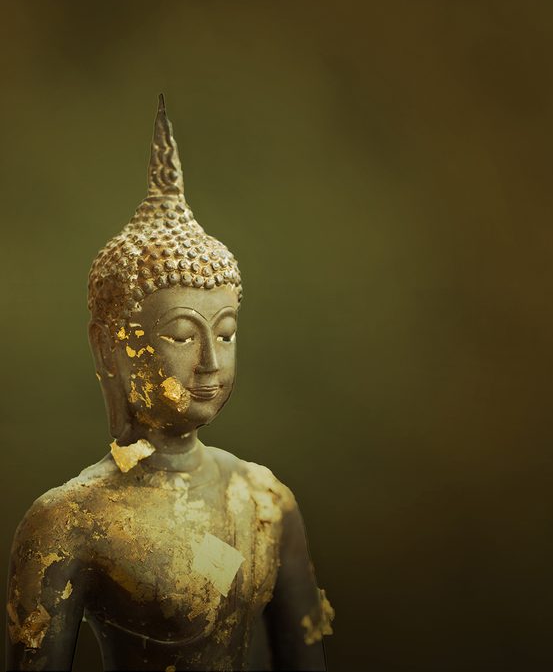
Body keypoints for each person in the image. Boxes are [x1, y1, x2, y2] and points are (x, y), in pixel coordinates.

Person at [5, 96, 333, 671]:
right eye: (182, 335)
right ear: (109, 347)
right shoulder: (70, 522)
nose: (210, 361)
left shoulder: (264, 500)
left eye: (226, 334)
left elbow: (304, 658)